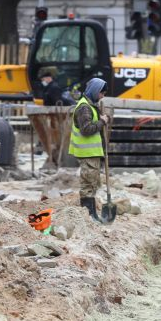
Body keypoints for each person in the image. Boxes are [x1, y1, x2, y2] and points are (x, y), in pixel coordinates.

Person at [70, 77, 109, 221]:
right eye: (101, 93)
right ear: (95, 91)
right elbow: (86, 129)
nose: (102, 96)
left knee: (93, 183)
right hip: (87, 153)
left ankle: (92, 214)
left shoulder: (91, 106)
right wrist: (102, 122)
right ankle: (89, 215)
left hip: (93, 153)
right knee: (88, 184)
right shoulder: (84, 107)